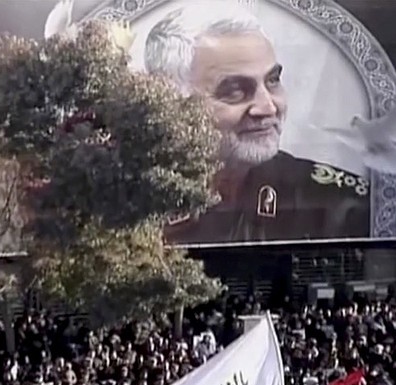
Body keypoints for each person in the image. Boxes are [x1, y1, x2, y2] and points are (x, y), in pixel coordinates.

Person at [143, 3, 370, 244]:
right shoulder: (123, 202)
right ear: (169, 100)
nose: (268, 107)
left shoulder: (338, 204)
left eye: (273, 81)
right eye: (235, 91)